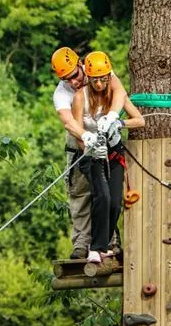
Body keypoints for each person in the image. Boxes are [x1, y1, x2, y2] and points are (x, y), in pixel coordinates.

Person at [51, 47, 127, 259]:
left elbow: (120, 92)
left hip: (107, 143)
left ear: (80, 64)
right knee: (81, 195)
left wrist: (113, 116)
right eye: (67, 79)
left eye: (74, 75)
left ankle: (110, 242)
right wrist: (85, 137)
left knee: (108, 195)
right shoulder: (62, 93)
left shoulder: (97, 68)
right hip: (80, 147)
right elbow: (68, 122)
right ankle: (82, 244)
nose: (73, 82)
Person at [71, 51, 145, 263]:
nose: (100, 84)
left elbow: (139, 120)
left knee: (114, 202)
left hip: (113, 151)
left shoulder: (115, 92)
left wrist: (119, 123)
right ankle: (95, 248)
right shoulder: (80, 97)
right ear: (89, 78)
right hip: (91, 154)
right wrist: (88, 145)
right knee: (101, 196)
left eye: (104, 79)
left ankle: (104, 246)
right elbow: (76, 130)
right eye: (96, 80)